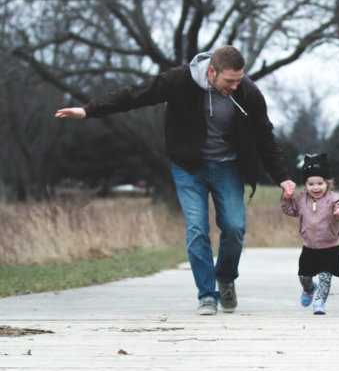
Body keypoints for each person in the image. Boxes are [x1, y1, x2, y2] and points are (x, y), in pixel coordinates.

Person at [55, 46, 296, 316]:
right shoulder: (179, 80)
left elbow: (265, 136)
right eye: (229, 81)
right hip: (189, 167)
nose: (235, 86)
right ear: (212, 71)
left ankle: (226, 278)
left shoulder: (247, 92)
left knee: (235, 227)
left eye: (239, 79)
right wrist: (89, 110)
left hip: (227, 166)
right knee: (197, 229)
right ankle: (207, 295)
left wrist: (283, 178)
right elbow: (135, 95)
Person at [280, 153, 339, 315]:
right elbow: (289, 210)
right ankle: (309, 288)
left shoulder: (335, 199)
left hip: (330, 248)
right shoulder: (301, 200)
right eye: (311, 184)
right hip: (309, 248)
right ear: (305, 185)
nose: (316, 187)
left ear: (327, 183)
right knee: (304, 277)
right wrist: (286, 199)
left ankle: (319, 302)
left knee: (326, 278)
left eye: (320, 183)